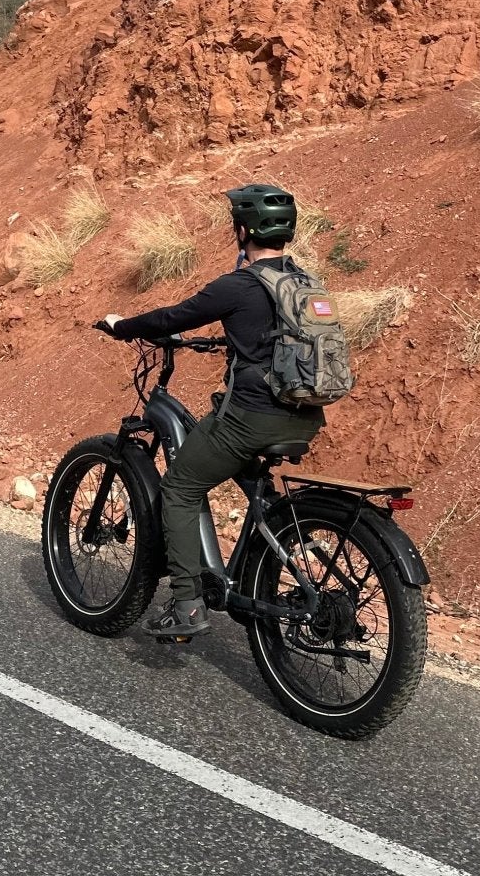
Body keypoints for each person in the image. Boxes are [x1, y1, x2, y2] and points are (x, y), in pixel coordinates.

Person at [95, 184, 323, 641]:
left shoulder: (238, 285)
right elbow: (277, 343)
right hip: (305, 415)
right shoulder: (305, 284)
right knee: (237, 476)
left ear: (243, 231)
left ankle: (187, 604)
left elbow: (170, 319)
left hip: (250, 419)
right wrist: (227, 342)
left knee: (180, 487)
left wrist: (122, 327)